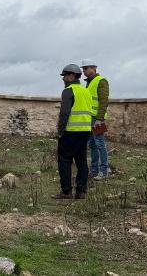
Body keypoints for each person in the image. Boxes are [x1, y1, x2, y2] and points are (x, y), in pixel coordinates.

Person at [53, 64, 93, 200]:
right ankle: (81, 192)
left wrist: (60, 131)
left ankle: (66, 192)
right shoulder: (86, 91)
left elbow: (64, 113)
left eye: (64, 75)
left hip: (70, 132)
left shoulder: (68, 91)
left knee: (64, 160)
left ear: (71, 76)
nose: (63, 78)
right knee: (81, 162)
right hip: (85, 131)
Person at [81, 59, 110, 180]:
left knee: (100, 144)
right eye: (83, 69)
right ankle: (94, 171)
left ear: (94, 68)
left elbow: (103, 101)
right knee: (92, 145)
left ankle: (103, 172)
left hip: (97, 119)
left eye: (86, 68)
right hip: (89, 118)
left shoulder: (101, 81)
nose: (84, 71)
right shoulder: (89, 83)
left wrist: (100, 118)